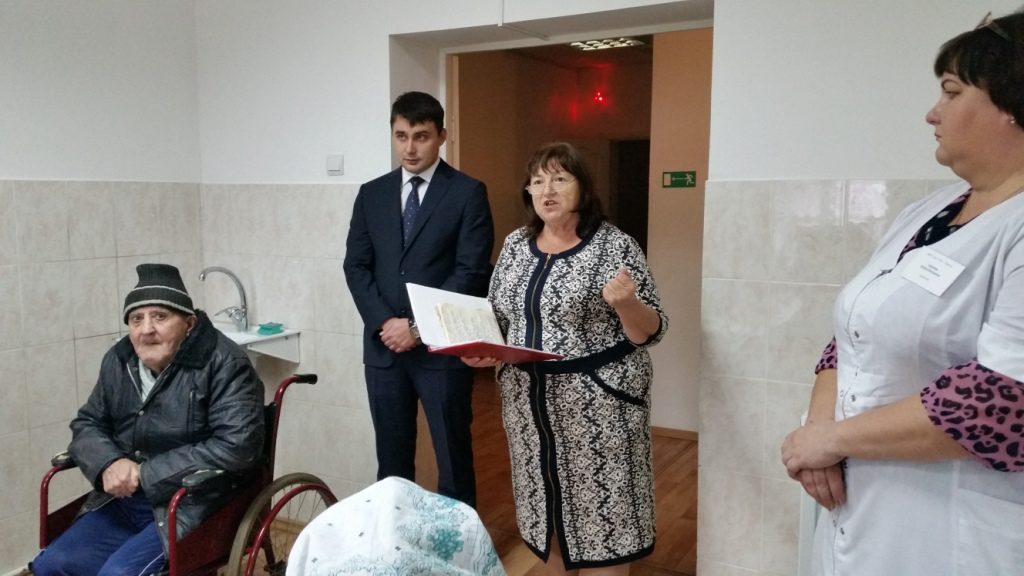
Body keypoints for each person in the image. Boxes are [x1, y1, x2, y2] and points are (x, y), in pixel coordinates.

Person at [781, 11, 1024, 576]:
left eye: (951, 92)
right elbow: (851, 333)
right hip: (862, 509)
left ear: (1013, 104)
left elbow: (1007, 402)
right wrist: (819, 432)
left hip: (957, 533)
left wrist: (834, 439)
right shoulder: (929, 211)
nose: (932, 113)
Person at [465, 142, 668, 574]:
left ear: (583, 187)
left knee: (607, 524)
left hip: (600, 413)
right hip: (528, 414)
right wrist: (485, 349)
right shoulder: (516, 245)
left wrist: (627, 304)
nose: (547, 190)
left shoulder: (614, 245)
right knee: (547, 517)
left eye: (559, 178)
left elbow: (650, 331)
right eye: (537, 181)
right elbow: (498, 316)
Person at [30, 263, 265, 576]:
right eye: (136, 319)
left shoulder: (225, 363)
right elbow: (87, 423)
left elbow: (238, 445)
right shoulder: (119, 359)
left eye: (160, 316)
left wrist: (144, 473)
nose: (146, 329)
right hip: (124, 501)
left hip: (195, 502)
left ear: (189, 323)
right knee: (50, 566)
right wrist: (108, 463)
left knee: (117, 574)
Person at [343, 91, 494, 508]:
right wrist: (385, 323)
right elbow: (356, 266)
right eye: (401, 136)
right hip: (384, 349)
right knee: (391, 462)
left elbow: (470, 272)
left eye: (421, 136)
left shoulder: (466, 193)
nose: (410, 148)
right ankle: (398, 538)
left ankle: (459, 544)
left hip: (441, 350)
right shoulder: (372, 193)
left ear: (441, 136)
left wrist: (415, 326)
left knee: (453, 456)